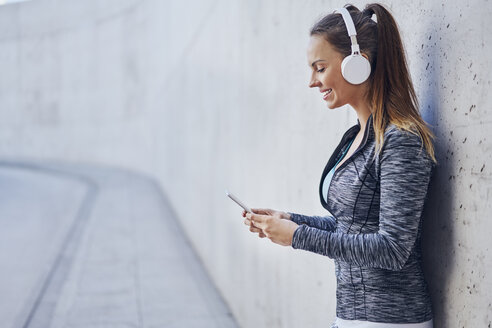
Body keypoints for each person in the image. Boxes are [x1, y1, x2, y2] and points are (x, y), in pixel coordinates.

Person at [241, 3, 438, 328]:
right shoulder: (356, 136)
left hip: (391, 320)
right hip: (350, 315)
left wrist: (298, 236)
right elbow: (350, 227)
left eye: (320, 67)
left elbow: (392, 248)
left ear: (357, 64)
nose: (311, 81)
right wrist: (288, 220)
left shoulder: (401, 140)